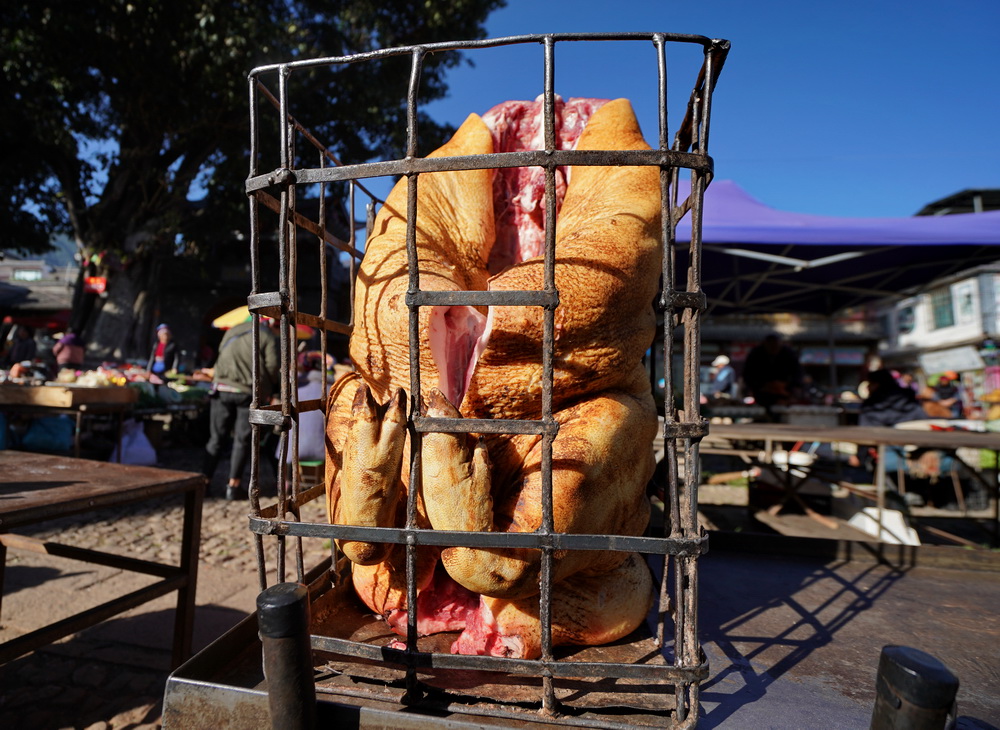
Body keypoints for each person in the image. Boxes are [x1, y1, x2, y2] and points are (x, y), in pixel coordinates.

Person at [202, 316, 281, 500]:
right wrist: (271, 389)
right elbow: (272, 366)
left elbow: (221, 352)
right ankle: (233, 486)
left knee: (216, 439)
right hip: (249, 392)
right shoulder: (267, 336)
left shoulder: (232, 330)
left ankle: (205, 482)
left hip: (222, 388)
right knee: (242, 441)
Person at [741, 333, 803, 415]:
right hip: (762, 391)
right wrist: (764, 386)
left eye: (776, 347)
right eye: (771, 346)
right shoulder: (756, 354)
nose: (773, 349)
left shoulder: (788, 353)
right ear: (765, 345)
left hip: (784, 390)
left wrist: (787, 386)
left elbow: (798, 373)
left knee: (782, 410)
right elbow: (748, 374)